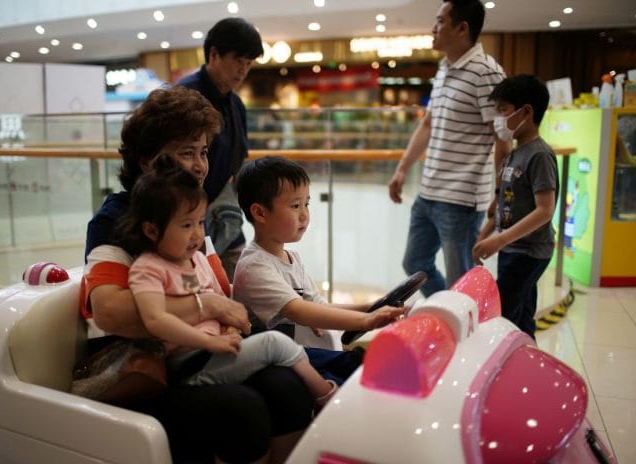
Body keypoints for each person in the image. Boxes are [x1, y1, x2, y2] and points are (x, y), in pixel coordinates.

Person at [81, 87, 314, 463]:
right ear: (146, 160)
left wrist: (228, 319)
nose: (201, 164)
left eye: (203, 151)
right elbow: (111, 311)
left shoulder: (188, 211)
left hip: (197, 353)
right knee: (242, 409)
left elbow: (224, 296)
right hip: (143, 367)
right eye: (186, 152)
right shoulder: (115, 219)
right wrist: (209, 308)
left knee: (288, 385)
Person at [117, 163, 338, 406]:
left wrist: (229, 329)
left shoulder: (198, 261)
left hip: (215, 351)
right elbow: (156, 320)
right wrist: (209, 341)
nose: (197, 235)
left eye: (200, 223)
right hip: (189, 362)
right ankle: (326, 396)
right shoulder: (147, 268)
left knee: (285, 367)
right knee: (276, 343)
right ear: (151, 230)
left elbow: (222, 303)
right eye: (186, 225)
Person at [233, 156, 407, 385]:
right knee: (363, 369)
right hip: (285, 363)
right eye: (295, 206)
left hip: (310, 354)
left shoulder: (291, 258)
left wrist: (371, 308)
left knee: (369, 365)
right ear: (260, 213)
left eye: (307, 204)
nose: (304, 214)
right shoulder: (254, 266)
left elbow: (318, 307)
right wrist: (366, 321)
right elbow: (299, 311)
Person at [387, 0, 510, 296]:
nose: (433, 28)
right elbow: (428, 124)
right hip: (429, 192)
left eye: (441, 21)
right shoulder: (445, 68)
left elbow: (502, 140)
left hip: (461, 200)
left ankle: (463, 331)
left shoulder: (487, 73)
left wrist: (499, 194)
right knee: (414, 262)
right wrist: (402, 168)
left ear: (462, 28)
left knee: (461, 279)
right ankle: (449, 312)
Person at [174, 17, 263, 281]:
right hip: (184, 220)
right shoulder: (183, 98)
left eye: (248, 64)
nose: (243, 70)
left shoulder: (236, 104)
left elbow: (237, 162)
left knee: (241, 291)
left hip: (225, 220)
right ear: (214, 54)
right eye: (238, 60)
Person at [472, 74, 557, 340]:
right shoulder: (516, 152)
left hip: (529, 251)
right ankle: (528, 360)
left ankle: (506, 364)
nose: (498, 118)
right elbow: (506, 200)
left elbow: (545, 209)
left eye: (503, 110)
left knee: (503, 314)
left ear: (526, 111)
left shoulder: (540, 155)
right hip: (514, 248)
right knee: (520, 315)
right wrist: (487, 231)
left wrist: (499, 240)